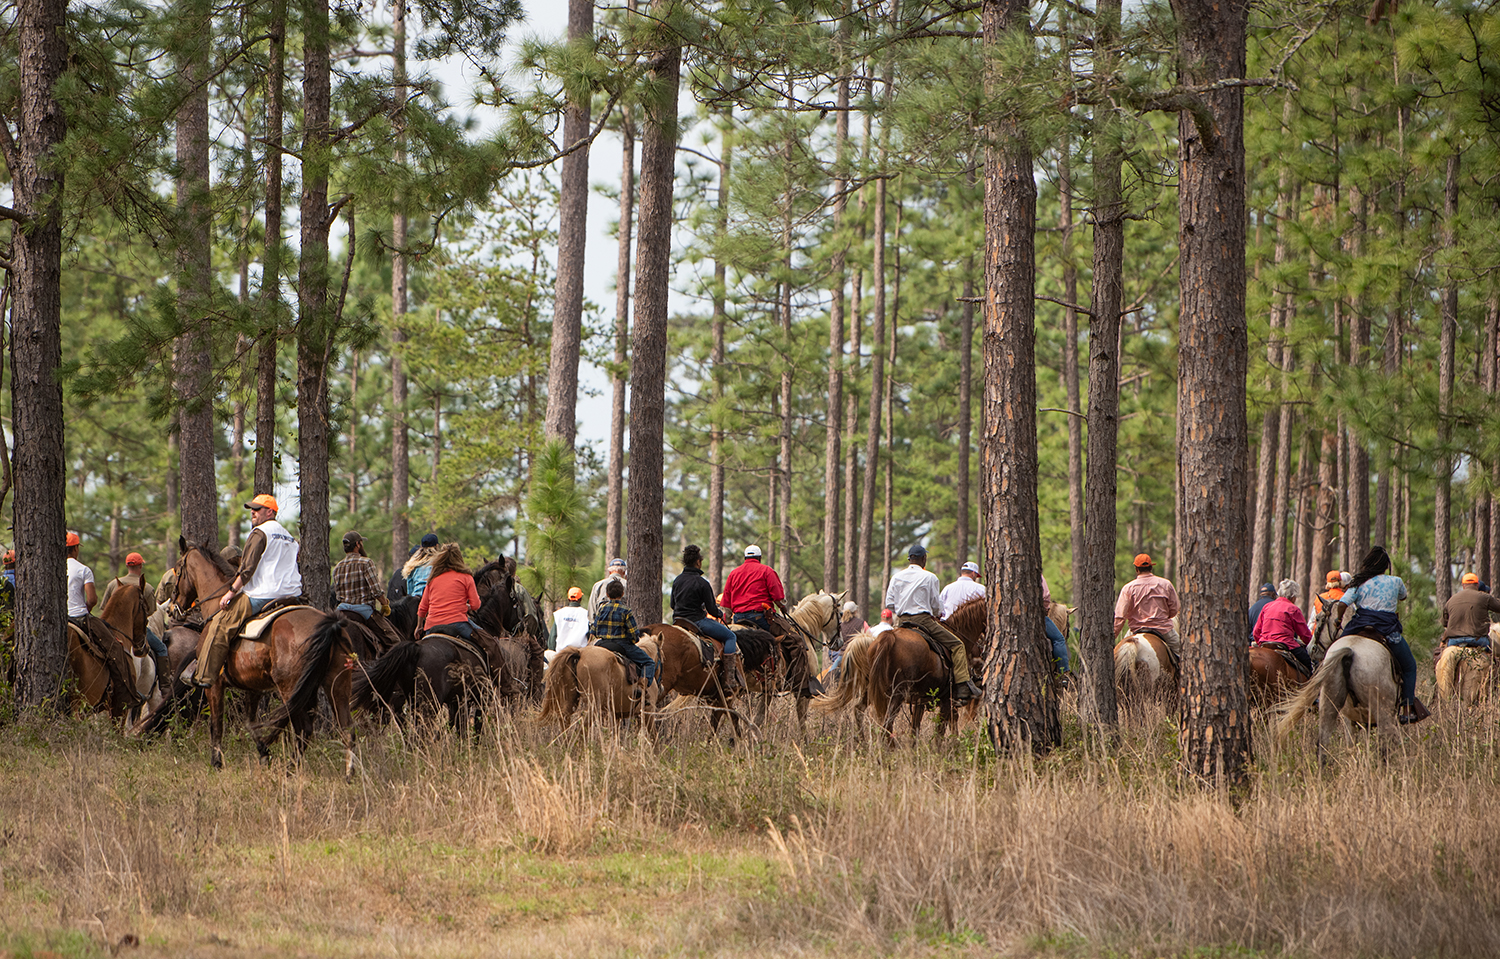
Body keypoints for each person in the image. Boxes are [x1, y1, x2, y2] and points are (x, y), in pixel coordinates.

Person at [193, 494, 303, 687]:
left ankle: (204, 677)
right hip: (292, 596)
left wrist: (230, 593)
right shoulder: (290, 537)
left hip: (262, 594)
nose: (253, 512)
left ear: (270, 512)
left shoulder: (260, 532)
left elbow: (247, 569)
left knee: (220, 624)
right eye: (252, 508)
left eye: (257, 508)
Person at [1333, 545, 1426, 724]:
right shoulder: (1396, 581)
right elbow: (1403, 597)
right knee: (1409, 666)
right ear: (1385, 566)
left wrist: (1338, 620)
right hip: (1387, 629)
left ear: (1367, 564)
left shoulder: (1358, 582)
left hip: (1358, 626)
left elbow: (1342, 604)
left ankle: (1322, 696)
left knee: (1331, 654)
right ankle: (1407, 708)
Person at [884, 545, 981, 704]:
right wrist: (936, 612)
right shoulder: (930, 577)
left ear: (910, 559)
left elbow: (890, 604)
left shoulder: (896, 577)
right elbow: (937, 606)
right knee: (957, 645)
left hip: (901, 621)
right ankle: (963, 685)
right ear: (924, 559)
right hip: (924, 621)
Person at [102, 552, 171, 694]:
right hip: (136, 631)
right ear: (140, 566)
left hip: (111, 630)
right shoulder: (147, 588)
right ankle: (164, 686)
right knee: (161, 648)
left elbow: (104, 608)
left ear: (127, 566)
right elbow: (152, 611)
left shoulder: (113, 584)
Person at [671, 543, 741, 660]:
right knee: (730, 636)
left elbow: (673, 605)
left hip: (678, 621)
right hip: (696, 622)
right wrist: (719, 614)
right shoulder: (702, 583)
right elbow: (712, 610)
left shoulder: (677, 580)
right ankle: (730, 674)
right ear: (698, 562)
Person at [332, 532, 403, 648]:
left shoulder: (337, 567)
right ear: (358, 544)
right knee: (395, 642)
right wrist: (384, 604)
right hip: (363, 610)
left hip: (341, 610)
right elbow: (376, 590)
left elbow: (338, 594)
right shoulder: (366, 562)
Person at [589, 578, 656, 695]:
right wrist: (634, 640)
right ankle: (642, 689)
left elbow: (593, 630)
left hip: (602, 643)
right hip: (621, 644)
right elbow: (634, 633)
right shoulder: (626, 611)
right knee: (649, 662)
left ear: (607, 594)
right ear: (623, 594)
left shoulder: (601, 609)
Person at [1113, 553, 1181, 661]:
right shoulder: (1166, 584)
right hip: (1163, 630)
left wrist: (1113, 636)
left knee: (1117, 656)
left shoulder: (1128, 588)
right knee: (1186, 656)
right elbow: (1174, 610)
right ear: (1151, 567)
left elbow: (1120, 618)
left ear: (1136, 569)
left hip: (1135, 630)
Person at [415, 543, 482, 640]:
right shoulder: (466, 577)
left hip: (432, 626)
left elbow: (422, 608)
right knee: (489, 643)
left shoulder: (433, 579)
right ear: (459, 558)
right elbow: (476, 605)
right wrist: (467, 607)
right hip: (458, 624)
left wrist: (419, 626)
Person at [1252, 579, 1314, 673]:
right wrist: (1311, 643)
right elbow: (1305, 635)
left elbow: (1256, 631)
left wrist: (1260, 643)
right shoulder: (1293, 609)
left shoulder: (1267, 606)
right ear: (1293, 597)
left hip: (1265, 644)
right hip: (1285, 644)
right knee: (1307, 662)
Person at [722, 545, 786, 633]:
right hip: (761, 618)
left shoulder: (733, 574)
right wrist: (782, 607)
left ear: (745, 558)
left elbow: (726, 601)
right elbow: (777, 596)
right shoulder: (767, 571)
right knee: (789, 635)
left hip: (739, 618)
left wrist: (728, 622)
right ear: (760, 558)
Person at [1438, 572, 1500, 655]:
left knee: (1441, 656)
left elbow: (1444, 623)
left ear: (1463, 585)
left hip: (1454, 641)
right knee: (1495, 657)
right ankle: (1494, 667)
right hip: (1478, 640)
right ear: (1477, 585)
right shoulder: (1484, 597)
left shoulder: (1451, 600)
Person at [588, 558, 628, 623]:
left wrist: (593, 626)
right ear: (624, 572)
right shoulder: (628, 585)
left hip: (601, 627)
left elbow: (592, 610)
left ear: (609, 572)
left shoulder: (598, 585)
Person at [552, 587, 590, 653]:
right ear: (580, 599)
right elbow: (589, 636)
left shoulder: (559, 613)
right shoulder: (586, 614)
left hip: (561, 654)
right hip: (580, 653)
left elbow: (553, 637)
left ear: (569, 599)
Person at [403, 533, 441, 599]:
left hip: (415, 600)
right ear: (437, 546)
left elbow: (410, 590)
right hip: (431, 599)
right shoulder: (438, 563)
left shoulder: (413, 564)